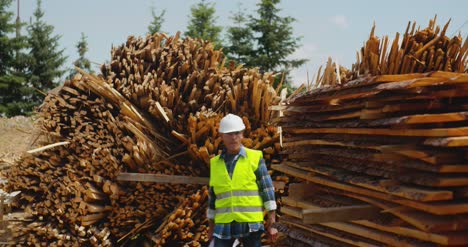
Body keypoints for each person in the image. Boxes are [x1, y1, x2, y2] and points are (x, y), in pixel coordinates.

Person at [207, 113, 277, 247]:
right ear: (221, 136)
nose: (233, 138)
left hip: (250, 223)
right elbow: (212, 198)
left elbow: (267, 190)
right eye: (229, 134)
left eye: (237, 133)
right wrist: (211, 228)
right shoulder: (215, 164)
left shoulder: (254, 158)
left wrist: (272, 222)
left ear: (243, 134)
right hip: (224, 225)